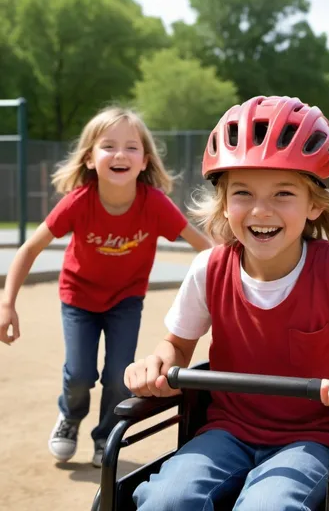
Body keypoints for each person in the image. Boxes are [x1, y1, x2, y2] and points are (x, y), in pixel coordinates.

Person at [124, 95, 329, 510]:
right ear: (224, 201)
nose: (261, 210)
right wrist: (157, 361)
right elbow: (176, 347)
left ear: (314, 204)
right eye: (243, 192)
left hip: (313, 440)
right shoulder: (208, 269)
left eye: (283, 193)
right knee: (165, 500)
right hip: (225, 432)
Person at [0, 106, 212, 467]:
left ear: (145, 161)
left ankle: (105, 437)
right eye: (108, 146)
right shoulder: (79, 202)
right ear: (89, 158)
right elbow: (29, 248)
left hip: (125, 301)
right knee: (81, 373)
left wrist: (243, 278)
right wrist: (7, 304)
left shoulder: (155, 205)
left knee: (118, 374)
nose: (120, 154)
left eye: (131, 147)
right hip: (78, 298)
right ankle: (70, 415)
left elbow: (206, 249)